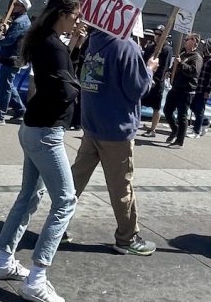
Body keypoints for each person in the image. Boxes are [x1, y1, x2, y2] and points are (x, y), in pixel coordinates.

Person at [0, 0, 81, 302]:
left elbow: (56, 74)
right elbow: (63, 87)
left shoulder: (43, 39)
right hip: (45, 132)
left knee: (29, 195)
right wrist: (78, 87)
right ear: (61, 14)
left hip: (33, 128)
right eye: (74, 16)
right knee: (65, 201)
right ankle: (37, 277)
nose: (76, 21)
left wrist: (74, 50)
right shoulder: (52, 45)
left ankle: (3, 259)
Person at [68, 27, 160, 255]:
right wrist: (149, 70)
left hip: (91, 124)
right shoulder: (125, 46)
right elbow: (137, 89)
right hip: (116, 128)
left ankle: (56, 227)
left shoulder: (94, 40)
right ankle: (127, 238)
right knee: (121, 187)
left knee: (74, 181)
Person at [0, 0, 31, 124]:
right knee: (9, 85)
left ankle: (0, 116)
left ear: (22, 8)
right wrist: (7, 30)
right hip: (13, 57)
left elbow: (10, 40)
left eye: (16, 5)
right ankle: (20, 110)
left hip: (12, 57)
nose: (13, 7)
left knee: (5, 87)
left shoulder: (20, 22)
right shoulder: (21, 20)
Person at [162, 32, 202, 148]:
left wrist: (181, 64)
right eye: (184, 39)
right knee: (167, 110)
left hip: (186, 91)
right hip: (175, 88)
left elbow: (194, 72)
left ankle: (179, 141)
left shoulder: (197, 57)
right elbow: (175, 66)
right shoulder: (183, 53)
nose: (184, 41)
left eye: (187, 39)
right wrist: (170, 71)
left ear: (194, 41)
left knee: (182, 116)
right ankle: (175, 129)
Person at [140, 25, 173, 137]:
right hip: (145, 79)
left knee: (156, 106)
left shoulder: (167, 49)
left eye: (160, 34)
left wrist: (156, 79)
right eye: (156, 34)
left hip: (157, 82)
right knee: (139, 102)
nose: (157, 36)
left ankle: (153, 129)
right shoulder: (150, 47)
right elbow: (143, 63)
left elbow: (164, 67)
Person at [189, 38, 211, 138]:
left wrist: (209, 90)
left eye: (205, 46)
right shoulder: (204, 57)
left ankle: (196, 131)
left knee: (199, 109)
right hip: (197, 86)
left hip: (204, 89)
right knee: (193, 106)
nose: (203, 47)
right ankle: (205, 121)